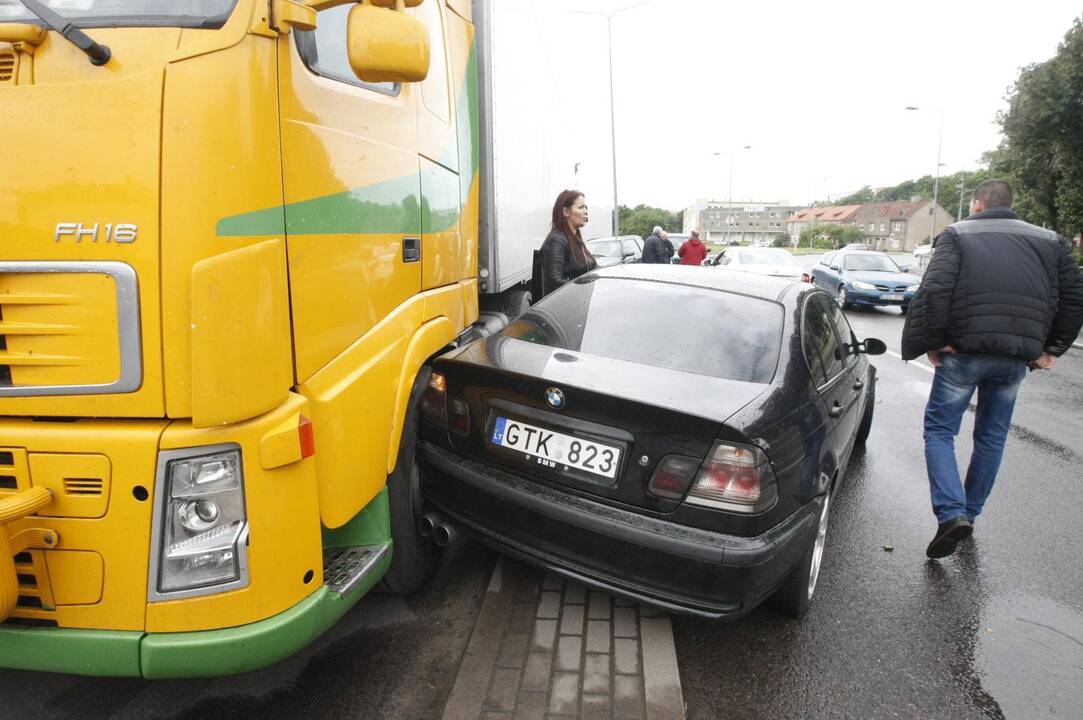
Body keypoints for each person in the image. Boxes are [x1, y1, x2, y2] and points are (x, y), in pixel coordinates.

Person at [901, 179, 1083, 559]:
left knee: (939, 430)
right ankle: (970, 513)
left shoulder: (957, 235)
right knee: (992, 437)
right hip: (1018, 356)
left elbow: (934, 290)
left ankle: (952, 514)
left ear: (978, 204)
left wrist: (934, 342)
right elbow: (1073, 296)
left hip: (965, 352)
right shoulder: (1051, 241)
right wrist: (1053, 348)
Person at [538, 190, 597, 298]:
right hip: (565, 306)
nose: (586, 211)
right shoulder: (556, 240)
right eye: (580, 207)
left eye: (586, 207)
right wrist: (582, 287)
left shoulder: (576, 239)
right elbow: (555, 281)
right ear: (566, 212)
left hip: (579, 302)